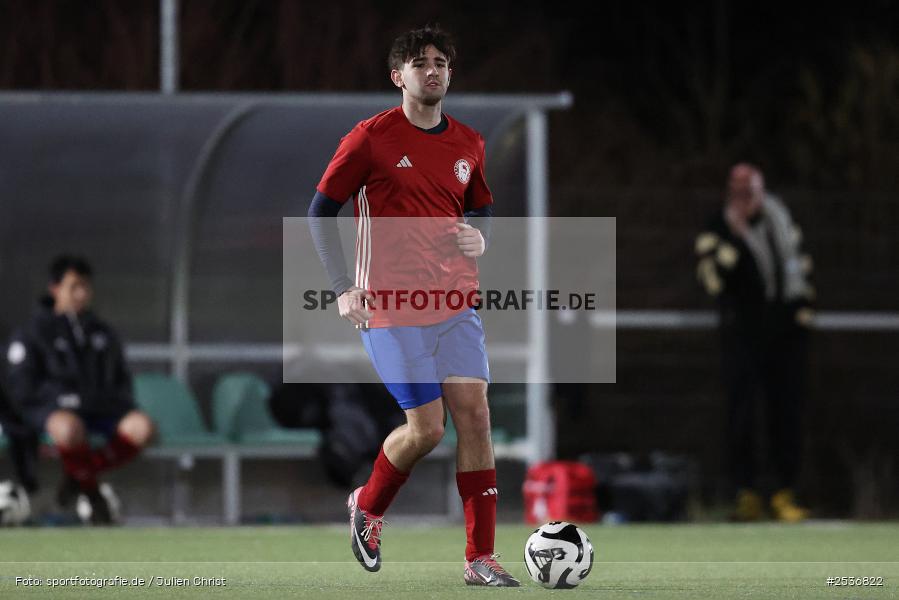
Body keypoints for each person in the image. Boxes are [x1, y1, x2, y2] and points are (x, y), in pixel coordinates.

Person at [307, 26, 518, 586]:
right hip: (391, 306)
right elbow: (319, 210)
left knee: (475, 417)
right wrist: (341, 287)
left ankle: (480, 559)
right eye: (420, 62)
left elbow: (482, 210)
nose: (433, 70)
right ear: (397, 76)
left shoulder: (469, 142)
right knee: (426, 430)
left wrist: (482, 237)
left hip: (455, 304)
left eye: (441, 62)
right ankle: (368, 507)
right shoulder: (370, 138)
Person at [695, 163, 815, 522]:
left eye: (752, 190)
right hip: (742, 335)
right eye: (739, 190)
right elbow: (713, 282)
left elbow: (801, 268)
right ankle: (745, 493)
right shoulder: (717, 227)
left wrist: (803, 312)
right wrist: (736, 235)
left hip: (784, 335)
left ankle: (783, 492)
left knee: (787, 413)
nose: (746, 198)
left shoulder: (782, 220)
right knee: (741, 415)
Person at [5, 255, 155, 524]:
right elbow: (23, 387)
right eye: (74, 286)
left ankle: (78, 477)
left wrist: (111, 402)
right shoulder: (33, 333)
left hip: (99, 410)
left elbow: (121, 381)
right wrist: (65, 400)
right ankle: (92, 493)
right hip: (53, 412)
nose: (81, 294)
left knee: (142, 427)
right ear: (55, 288)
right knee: (68, 427)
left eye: (86, 286)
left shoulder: (103, 333)